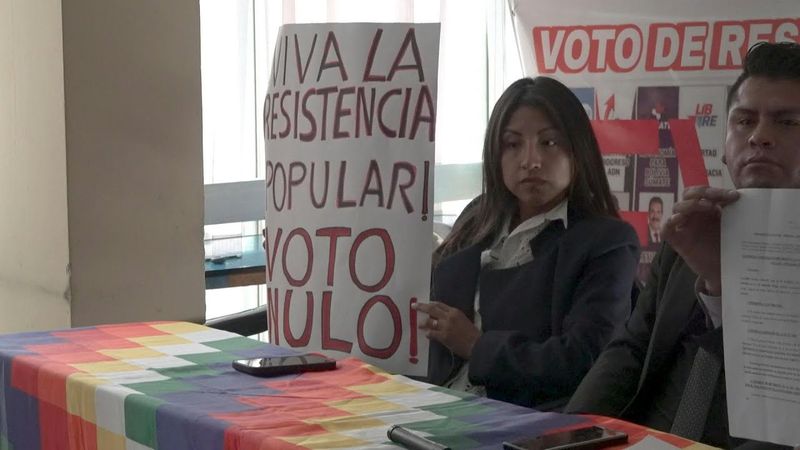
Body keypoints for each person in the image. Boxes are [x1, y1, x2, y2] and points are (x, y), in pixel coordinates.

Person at [566, 41, 800, 449]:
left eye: (787, 123)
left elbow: (783, 413)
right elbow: (630, 349)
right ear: (725, 143)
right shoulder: (691, 230)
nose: (760, 136)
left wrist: (725, 288)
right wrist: (568, 432)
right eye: (744, 121)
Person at [413, 76, 640, 408]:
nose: (530, 161)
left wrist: (477, 346)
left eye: (549, 143)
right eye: (513, 144)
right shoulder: (477, 217)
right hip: (428, 402)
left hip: (524, 421)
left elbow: (584, 359)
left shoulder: (607, 242)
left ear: (577, 149)